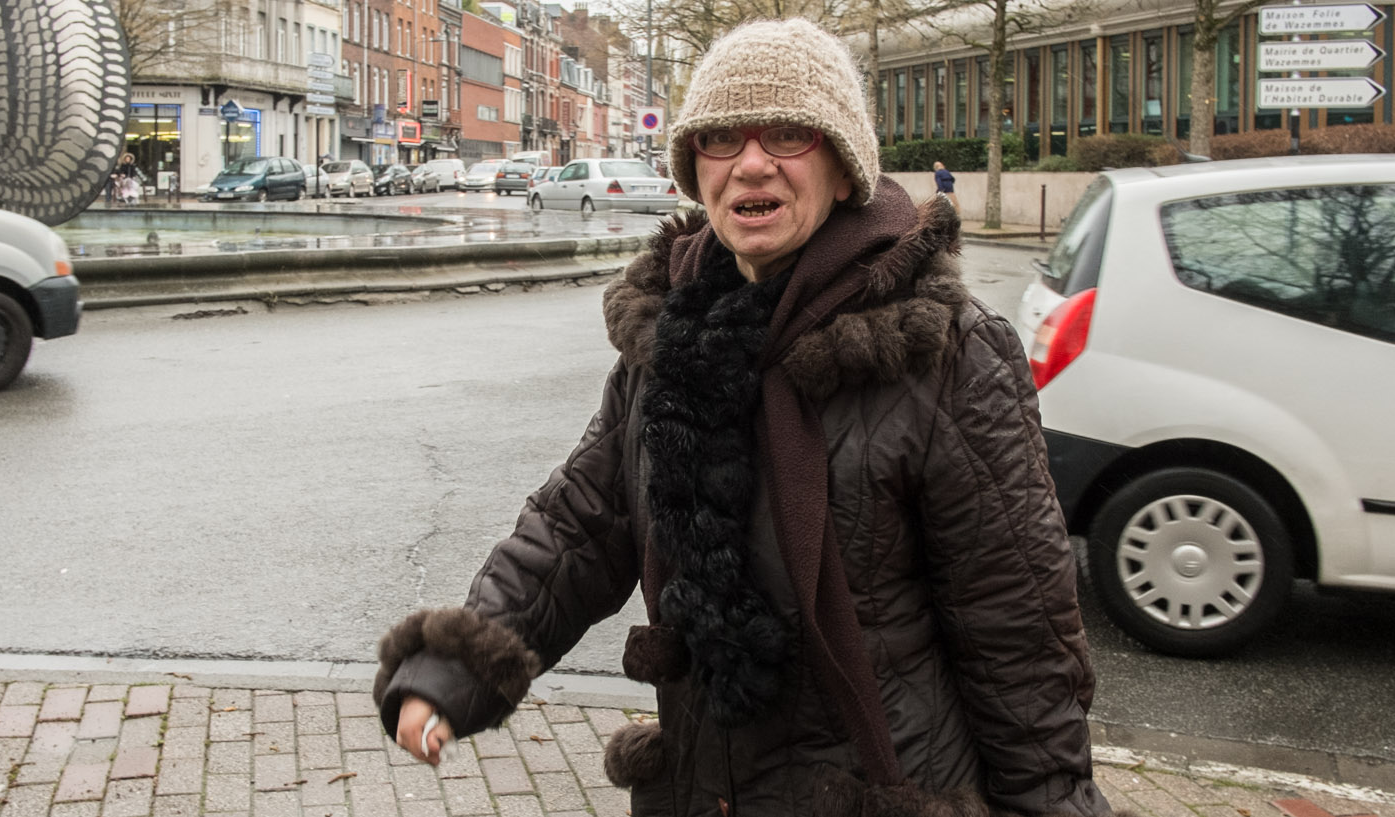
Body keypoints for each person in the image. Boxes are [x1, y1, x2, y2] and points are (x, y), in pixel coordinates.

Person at [372, 18, 1113, 817]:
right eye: (722, 137)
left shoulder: (945, 351)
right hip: (704, 788)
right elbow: (578, 527)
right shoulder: (672, 339)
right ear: (696, 171)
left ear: (843, 171)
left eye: (789, 133)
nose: (751, 161)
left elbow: (1019, 635)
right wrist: (450, 673)